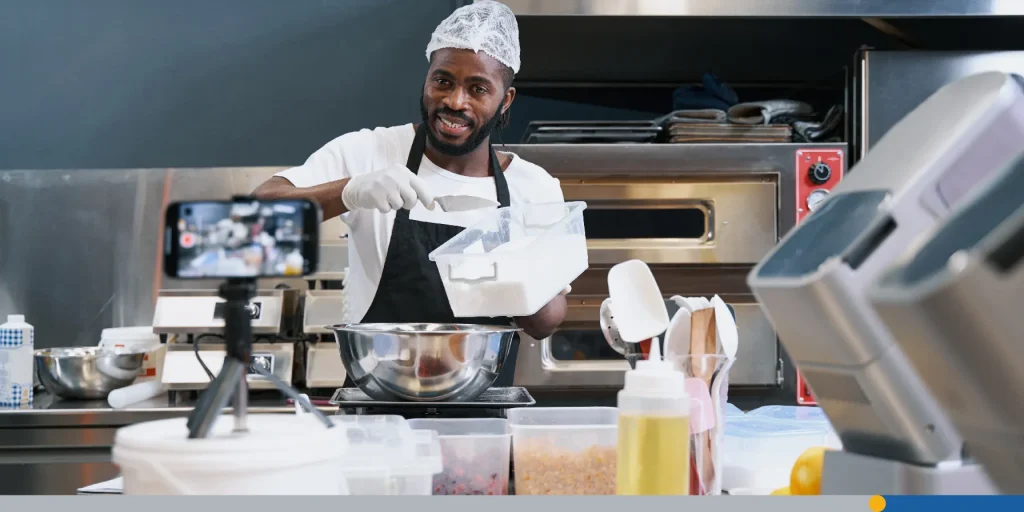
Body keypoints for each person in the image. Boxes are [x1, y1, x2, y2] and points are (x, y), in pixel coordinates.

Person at [252, 1, 567, 387]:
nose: (455, 101)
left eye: (478, 88)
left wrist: (515, 270)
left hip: (480, 410)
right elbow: (261, 211)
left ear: (506, 100)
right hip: (377, 401)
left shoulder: (533, 187)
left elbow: (545, 324)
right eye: (443, 81)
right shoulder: (369, 152)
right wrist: (349, 191)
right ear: (426, 80)